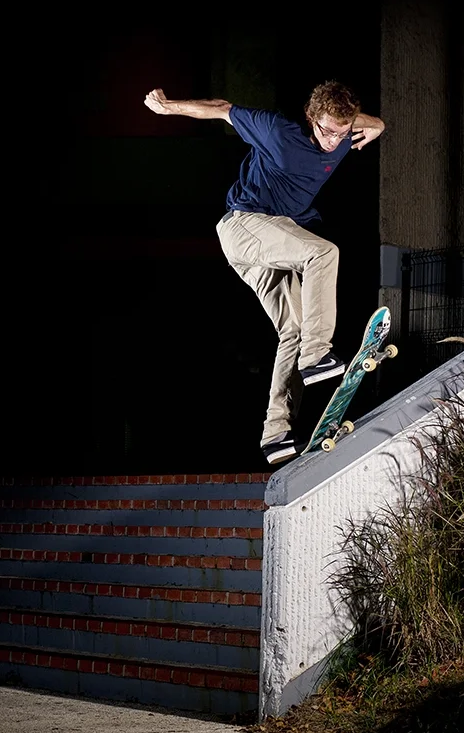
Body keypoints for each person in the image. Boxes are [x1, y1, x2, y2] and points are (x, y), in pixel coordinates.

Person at [144, 80, 384, 464]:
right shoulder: (276, 130)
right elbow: (222, 107)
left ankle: (276, 433)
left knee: (293, 329)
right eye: (326, 131)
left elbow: (363, 121)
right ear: (310, 118)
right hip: (245, 225)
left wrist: (379, 125)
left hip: (266, 248)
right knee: (322, 253)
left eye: (342, 134)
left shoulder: (342, 132)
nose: (333, 141)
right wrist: (168, 106)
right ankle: (316, 354)